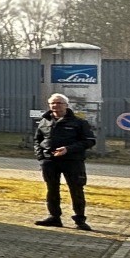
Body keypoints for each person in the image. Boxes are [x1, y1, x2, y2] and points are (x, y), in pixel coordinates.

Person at [32, 93, 96, 230]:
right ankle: (54, 217)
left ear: (66, 105)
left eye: (59, 103)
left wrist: (68, 149)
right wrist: (41, 157)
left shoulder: (79, 123)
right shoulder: (44, 121)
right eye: (52, 103)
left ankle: (80, 220)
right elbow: (38, 140)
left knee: (76, 189)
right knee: (52, 189)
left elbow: (89, 141)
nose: (55, 106)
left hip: (72, 162)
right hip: (50, 162)